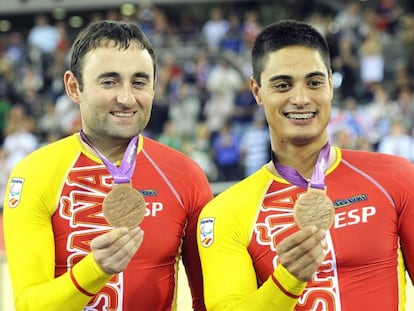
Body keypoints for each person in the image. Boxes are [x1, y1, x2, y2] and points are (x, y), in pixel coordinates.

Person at [197, 19, 414, 310]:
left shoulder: (394, 177)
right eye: (283, 84)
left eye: (314, 82)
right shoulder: (224, 213)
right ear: (257, 91)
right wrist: (286, 281)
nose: (301, 98)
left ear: (330, 85)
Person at [3, 20, 213, 311]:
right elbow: (28, 305)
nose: (126, 98)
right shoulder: (35, 174)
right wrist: (94, 271)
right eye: (109, 81)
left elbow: (208, 302)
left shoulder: (185, 175)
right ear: (74, 87)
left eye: (139, 82)